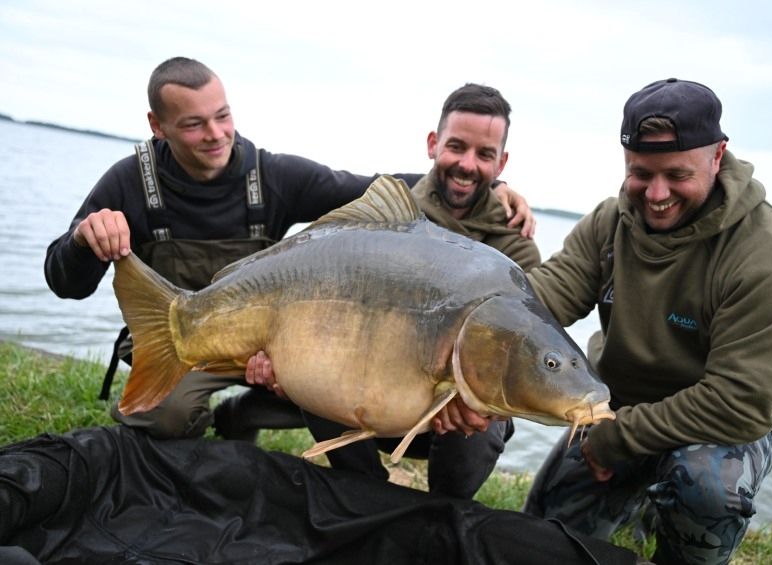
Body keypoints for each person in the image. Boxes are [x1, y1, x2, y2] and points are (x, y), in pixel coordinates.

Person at [43, 57, 535, 441]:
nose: (215, 135)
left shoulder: (272, 176)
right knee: (164, 419)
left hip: (271, 342)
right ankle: (191, 429)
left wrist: (495, 186)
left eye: (223, 116)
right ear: (158, 125)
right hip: (189, 343)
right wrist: (84, 241)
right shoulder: (129, 182)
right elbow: (64, 282)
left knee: (346, 381)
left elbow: (380, 195)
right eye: (194, 125)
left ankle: (241, 415)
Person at [518, 78, 772, 564]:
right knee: (539, 534)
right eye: (641, 173)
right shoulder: (609, 222)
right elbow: (541, 299)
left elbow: (740, 403)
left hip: (717, 429)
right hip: (615, 407)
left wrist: (616, 439)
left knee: (704, 487)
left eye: (677, 175)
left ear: (718, 156)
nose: (656, 194)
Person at [247, 83, 542, 500]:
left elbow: (525, 346)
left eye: (485, 154)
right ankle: (364, 493)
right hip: (367, 395)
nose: (467, 164)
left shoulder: (514, 244)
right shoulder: (385, 216)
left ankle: (442, 512)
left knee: (485, 420)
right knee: (319, 363)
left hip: (448, 413)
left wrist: (479, 403)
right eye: (456, 147)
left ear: (502, 162)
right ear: (432, 143)